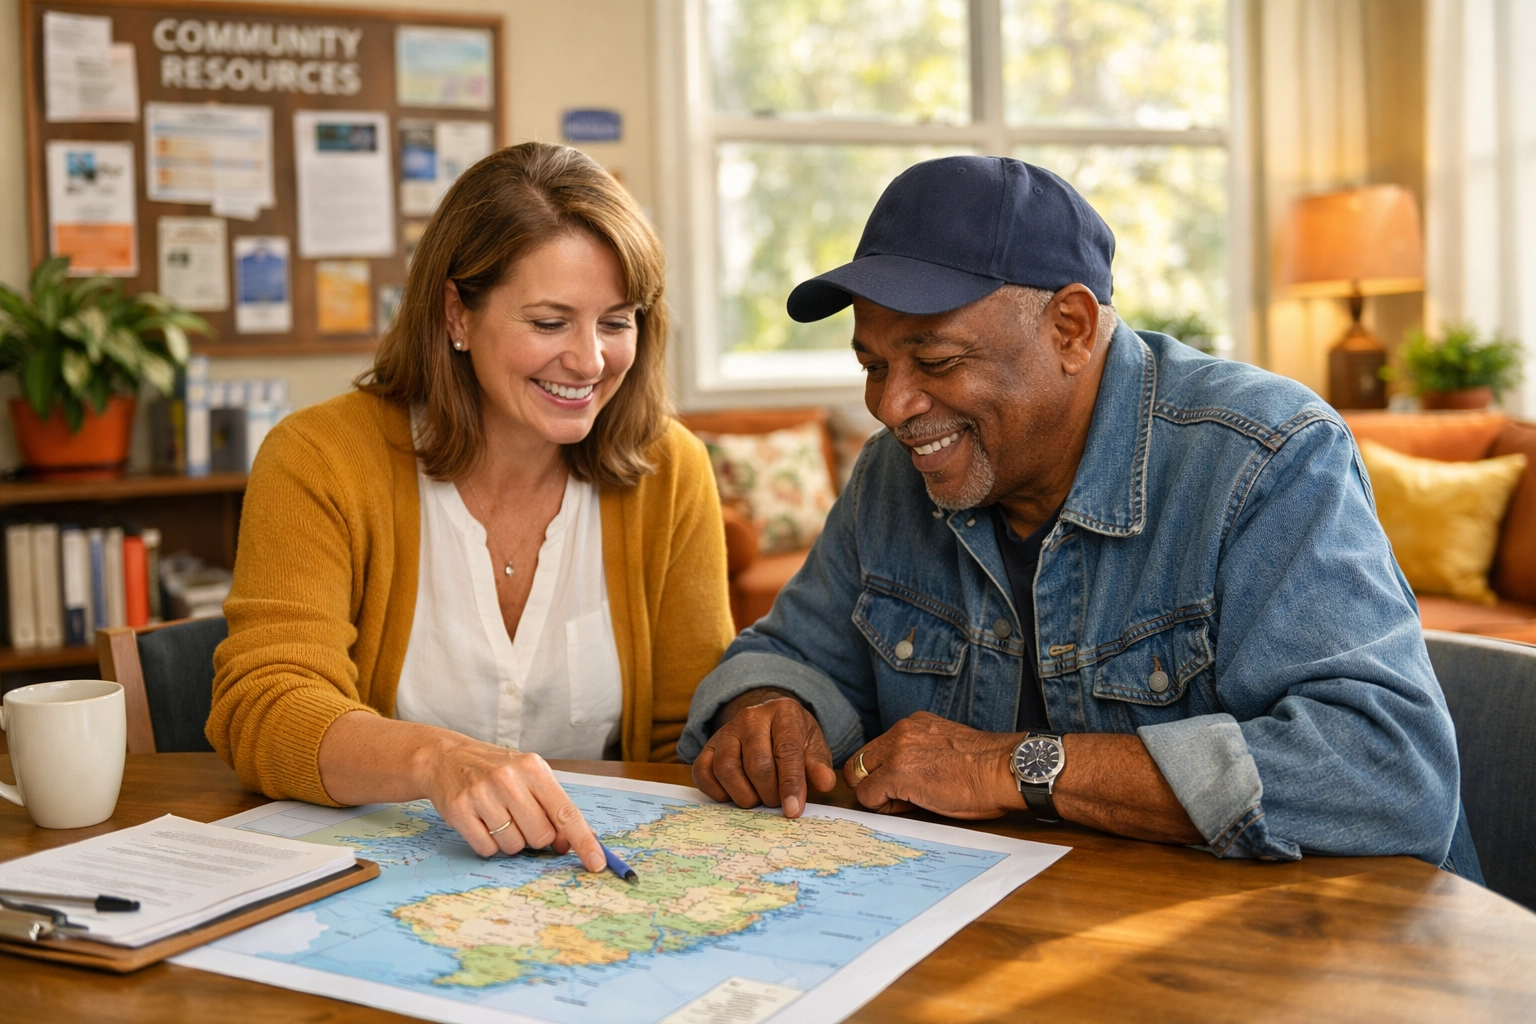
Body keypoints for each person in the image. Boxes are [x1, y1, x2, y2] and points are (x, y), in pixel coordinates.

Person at [679, 154, 1481, 875]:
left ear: (1071, 328)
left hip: (1319, 950)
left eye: (936, 360)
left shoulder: (1266, 456)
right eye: (874, 366)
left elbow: (1390, 772)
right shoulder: (894, 474)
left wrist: (1010, 767)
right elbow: (787, 655)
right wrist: (769, 709)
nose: (892, 407)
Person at [208, 142, 735, 873]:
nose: (589, 361)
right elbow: (265, 706)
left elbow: (688, 738)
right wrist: (436, 760)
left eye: (616, 322)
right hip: (378, 879)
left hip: (587, 883)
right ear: (457, 312)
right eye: (549, 322)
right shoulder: (318, 457)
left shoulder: (671, 470)